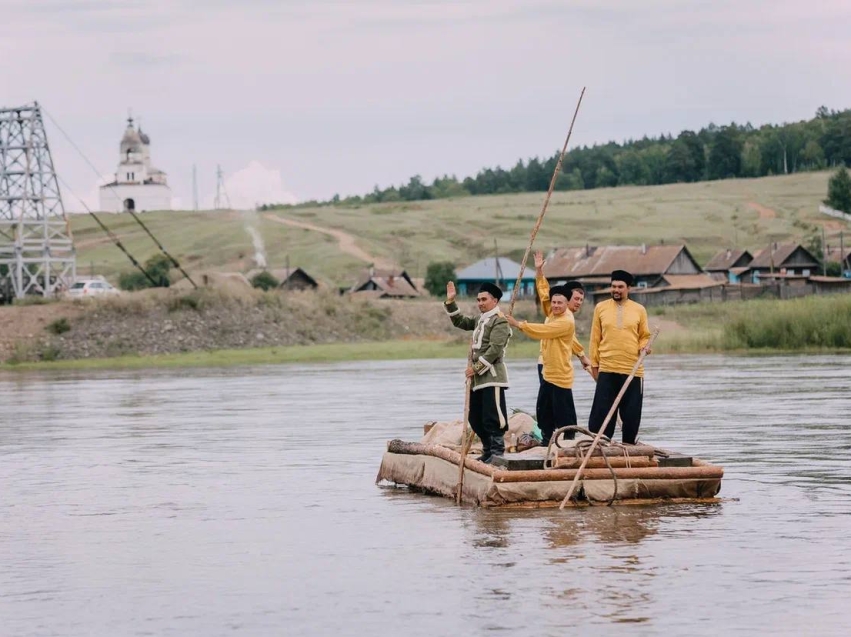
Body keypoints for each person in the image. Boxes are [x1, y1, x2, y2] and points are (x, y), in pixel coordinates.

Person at [506, 282, 583, 448]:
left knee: (564, 411)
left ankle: (569, 441)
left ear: (567, 304)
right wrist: (540, 274)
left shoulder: (566, 321)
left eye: (559, 303)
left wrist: (519, 324)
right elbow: (544, 295)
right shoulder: (552, 314)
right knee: (543, 409)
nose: (555, 305)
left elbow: (542, 331)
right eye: (554, 302)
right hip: (548, 370)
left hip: (561, 373)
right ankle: (547, 439)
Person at [444, 280, 512, 464]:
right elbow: (460, 321)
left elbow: (494, 349)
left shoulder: (500, 321)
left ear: (495, 300)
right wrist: (451, 301)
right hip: (476, 379)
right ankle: (487, 449)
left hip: (492, 376)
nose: (480, 303)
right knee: (475, 417)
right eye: (478, 299)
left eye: (484, 299)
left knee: (493, 416)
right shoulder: (480, 320)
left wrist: (475, 368)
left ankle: (497, 451)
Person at [587, 270, 652, 445]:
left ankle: (628, 447)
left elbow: (644, 335)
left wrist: (644, 346)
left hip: (633, 369)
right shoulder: (601, 308)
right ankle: (600, 445)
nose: (616, 290)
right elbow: (595, 338)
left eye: (620, 287)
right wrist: (594, 365)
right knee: (602, 412)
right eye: (613, 286)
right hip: (607, 367)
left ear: (628, 288)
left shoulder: (639, 310)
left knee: (631, 412)